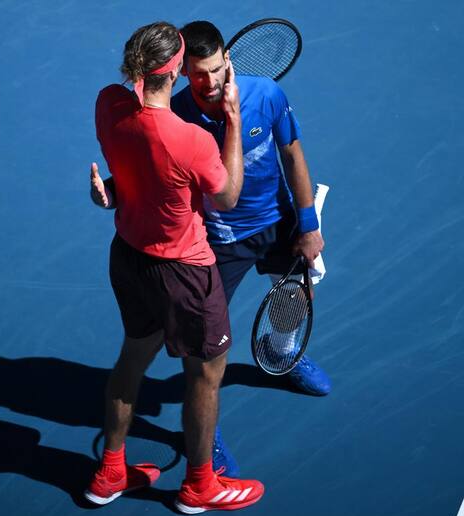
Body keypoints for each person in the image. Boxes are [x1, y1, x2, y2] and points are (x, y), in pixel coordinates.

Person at [91, 20, 331, 475]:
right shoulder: (176, 116)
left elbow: (293, 155)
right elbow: (153, 174)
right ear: (183, 74)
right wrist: (112, 189)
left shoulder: (266, 94)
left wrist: (308, 222)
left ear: (229, 61)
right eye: (199, 74)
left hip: (277, 221)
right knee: (202, 356)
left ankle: (281, 351)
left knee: (300, 287)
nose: (212, 82)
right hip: (217, 241)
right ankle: (202, 430)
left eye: (218, 69)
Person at [84, 21, 264, 514]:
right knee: (205, 376)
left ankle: (110, 473)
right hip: (184, 273)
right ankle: (200, 486)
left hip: (128, 259)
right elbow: (225, 196)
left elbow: (135, 170)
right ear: (179, 72)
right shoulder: (190, 140)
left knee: (132, 359)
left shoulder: (107, 103)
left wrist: (114, 193)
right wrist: (230, 118)